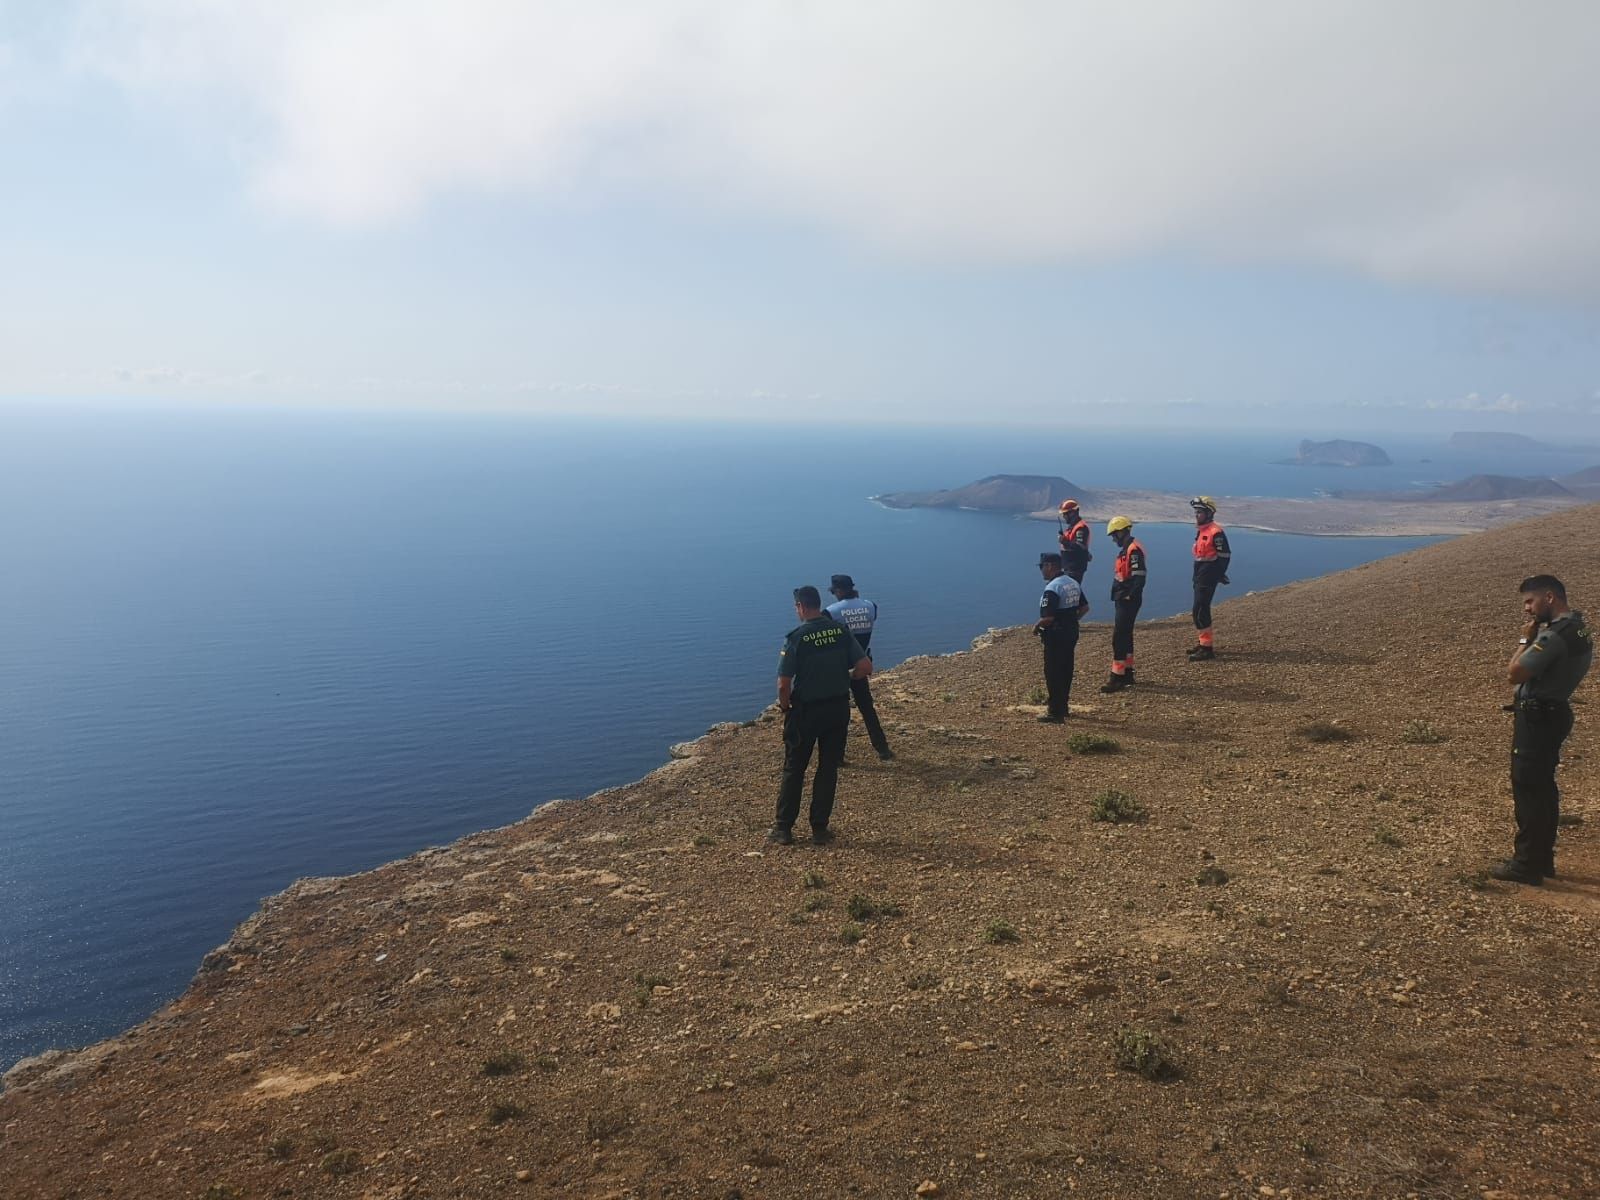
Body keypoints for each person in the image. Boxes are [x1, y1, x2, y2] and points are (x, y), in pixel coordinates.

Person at [1491, 575, 1593, 884]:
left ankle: (1527, 866)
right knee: (1543, 788)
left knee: (1529, 789)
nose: (1527, 609)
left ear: (1550, 597)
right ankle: (1542, 858)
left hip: (1538, 719)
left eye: (1530, 601)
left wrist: (1525, 639)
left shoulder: (1554, 636)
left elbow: (1515, 673)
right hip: (1554, 713)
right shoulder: (1580, 627)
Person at [771, 585, 872, 846]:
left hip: (806, 712)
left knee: (795, 768)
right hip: (837, 709)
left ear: (801, 607)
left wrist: (785, 708)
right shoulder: (840, 632)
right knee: (828, 768)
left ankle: (783, 829)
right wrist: (845, 677)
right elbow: (864, 667)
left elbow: (784, 684)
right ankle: (819, 829)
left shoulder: (796, 637)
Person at [825, 574, 894, 760]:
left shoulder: (831, 612)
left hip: (840, 668)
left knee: (839, 710)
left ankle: (837, 755)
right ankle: (882, 749)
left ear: (838, 591)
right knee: (867, 708)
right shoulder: (870, 606)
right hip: (861, 663)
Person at [1033, 551, 1089, 722]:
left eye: (1042, 566)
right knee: (1066, 670)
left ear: (1050, 566)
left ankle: (1055, 712)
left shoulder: (1053, 588)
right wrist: (1072, 620)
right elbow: (1085, 607)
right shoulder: (1072, 583)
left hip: (1056, 636)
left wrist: (1037, 626)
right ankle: (1063, 707)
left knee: (1053, 672)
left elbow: (1048, 617)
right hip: (1071, 632)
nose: (1041, 570)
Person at [1100, 515, 1147, 693]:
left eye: (1114, 535)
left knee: (1119, 637)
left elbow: (1139, 576)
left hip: (1127, 600)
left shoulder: (1133, 550)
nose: (1113, 539)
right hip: (1123, 598)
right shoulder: (1128, 549)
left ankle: (1117, 677)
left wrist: (1129, 596)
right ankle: (1127, 673)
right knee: (1125, 635)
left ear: (1121, 532)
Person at [1188, 495, 1231, 661]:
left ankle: (1207, 649)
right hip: (1199, 574)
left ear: (1209, 513)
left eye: (1200, 512)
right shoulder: (1202, 531)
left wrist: (1218, 574)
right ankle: (1203, 643)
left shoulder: (1216, 532)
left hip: (1208, 576)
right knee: (1199, 610)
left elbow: (1225, 555)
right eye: (1196, 512)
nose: (1197, 515)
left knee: (1200, 610)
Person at [1056, 499, 1092, 583]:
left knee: (1072, 592)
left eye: (1065, 514)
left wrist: (1064, 541)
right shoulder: (1072, 527)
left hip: (1074, 569)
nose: (1064, 517)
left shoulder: (1081, 528)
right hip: (1069, 567)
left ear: (1073, 513)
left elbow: (1079, 547)